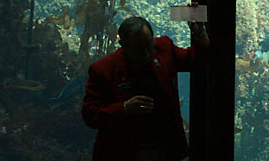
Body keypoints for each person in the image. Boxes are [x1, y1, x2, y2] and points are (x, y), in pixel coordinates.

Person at [82, 16, 210, 161]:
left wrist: (200, 33)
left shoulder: (164, 48)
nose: (146, 52)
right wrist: (124, 108)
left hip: (164, 149)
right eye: (138, 47)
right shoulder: (103, 69)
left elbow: (196, 59)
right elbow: (89, 114)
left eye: (149, 44)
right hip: (121, 152)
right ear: (123, 45)